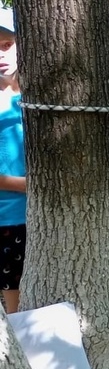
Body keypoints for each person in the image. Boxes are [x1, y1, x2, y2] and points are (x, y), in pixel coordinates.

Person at [0, 25, 25, 314]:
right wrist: (25, 185)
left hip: (37, 217)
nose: (2, 53)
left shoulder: (35, 97)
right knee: (14, 304)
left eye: (7, 44)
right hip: (6, 218)